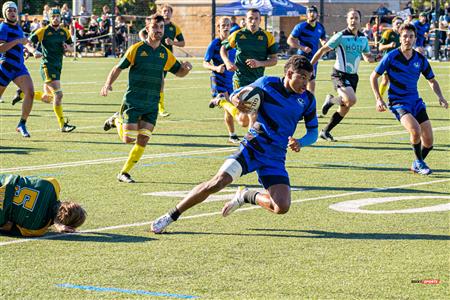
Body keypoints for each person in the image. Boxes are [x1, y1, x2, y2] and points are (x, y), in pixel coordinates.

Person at [150, 55, 319, 234]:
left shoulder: (307, 100)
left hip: (275, 157)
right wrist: (237, 99)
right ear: (290, 73)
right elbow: (237, 94)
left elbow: (313, 132)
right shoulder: (267, 84)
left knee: (282, 206)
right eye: (302, 77)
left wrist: (301, 142)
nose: (305, 83)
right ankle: (171, 215)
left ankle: (245, 195)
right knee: (216, 183)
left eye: (308, 79)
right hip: (252, 149)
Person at [100, 14, 192, 183]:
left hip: (151, 103)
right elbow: (118, 68)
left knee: (143, 139)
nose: (159, 31)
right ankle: (116, 120)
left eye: (161, 27)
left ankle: (124, 172)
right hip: (133, 101)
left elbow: (179, 72)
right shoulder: (136, 49)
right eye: (155, 27)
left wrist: (186, 69)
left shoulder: (165, 53)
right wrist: (108, 84)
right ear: (148, 29)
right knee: (128, 138)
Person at [370, 23, 448, 175]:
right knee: (415, 130)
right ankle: (419, 163)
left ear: (415, 39)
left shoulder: (420, 59)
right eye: (405, 36)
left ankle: (417, 162)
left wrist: (441, 97)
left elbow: (431, 80)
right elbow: (374, 77)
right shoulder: (391, 56)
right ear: (400, 38)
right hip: (398, 103)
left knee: (429, 142)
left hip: (416, 103)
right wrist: (378, 98)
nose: (407, 39)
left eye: (411, 36)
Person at [311, 8, 378, 142]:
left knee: (345, 107)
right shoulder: (340, 36)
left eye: (356, 18)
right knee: (351, 100)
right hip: (339, 74)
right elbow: (322, 50)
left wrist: (378, 58)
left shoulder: (363, 39)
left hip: (353, 77)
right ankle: (330, 100)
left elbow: (367, 58)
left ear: (360, 21)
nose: (353, 20)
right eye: (351, 18)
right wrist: (310, 66)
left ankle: (325, 131)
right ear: (347, 20)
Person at [13, 8, 76, 133]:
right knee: (58, 94)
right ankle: (63, 125)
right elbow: (28, 42)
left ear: (60, 17)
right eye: (53, 16)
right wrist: (32, 51)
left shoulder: (65, 32)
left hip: (58, 67)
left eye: (58, 16)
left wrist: (68, 48)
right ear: (49, 18)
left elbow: (72, 48)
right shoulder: (43, 31)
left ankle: (22, 94)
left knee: (48, 98)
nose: (56, 18)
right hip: (47, 66)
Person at [220, 9, 278, 128]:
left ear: (260, 20)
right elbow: (223, 49)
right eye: (250, 18)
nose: (253, 21)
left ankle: (224, 103)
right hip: (240, 79)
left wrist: (259, 63)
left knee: (248, 117)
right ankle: (251, 143)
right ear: (245, 20)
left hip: (258, 80)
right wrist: (227, 62)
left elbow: (274, 60)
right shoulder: (238, 35)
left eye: (256, 19)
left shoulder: (267, 36)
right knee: (248, 117)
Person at [0, 1, 41, 137]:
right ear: (5, 13)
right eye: (9, 10)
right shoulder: (3, 27)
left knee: (30, 92)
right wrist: (17, 42)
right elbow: (1, 48)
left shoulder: (18, 27)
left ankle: (22, 124)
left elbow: (24, 43)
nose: (12, 12)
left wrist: (32, 51)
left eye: (14, 10)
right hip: (5, 67)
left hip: (19, 67)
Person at [0, 174, 86, 237]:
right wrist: (57, 222)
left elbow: (31, 180)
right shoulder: (38, 229)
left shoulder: (53, 186)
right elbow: (7, 227)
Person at [139, 4, 185, 118]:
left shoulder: (174, 28)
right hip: (150, 56)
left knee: (160, 82)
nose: (166, 13)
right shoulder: (155, 24)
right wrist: (145, 42)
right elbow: (142, 32)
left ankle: (160, 107)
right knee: (155, 81)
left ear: (171, 13)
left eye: (168, 11)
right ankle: (154, 106)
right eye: (164, 11)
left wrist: (173, 43)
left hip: (164, 58)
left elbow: (183, 43)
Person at [203, 17, 242, 144]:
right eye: (223, 25)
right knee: (228, 106)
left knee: (231, 108)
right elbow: (205, 63)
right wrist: (215, 67)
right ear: (218, 27)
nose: (225, 27)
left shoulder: (234, 42)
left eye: (228, 25)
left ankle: (232, 135)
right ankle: (232, 135)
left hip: (232, 80)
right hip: (218, 79)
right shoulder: (214, 44)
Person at [287, 5, 327, 94]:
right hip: (301, 59)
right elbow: (290, 40)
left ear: (318, 14)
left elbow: (323, 38)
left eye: (314, 12)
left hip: (314, 59)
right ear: (307, 15)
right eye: (309, 12)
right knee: (298, 84)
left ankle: (309, 105)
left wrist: (324, 44)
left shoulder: (320, 27)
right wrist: (302, 47)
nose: (312, 14)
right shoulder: (301, 26)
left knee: (311, 85)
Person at [377, 17, 403, 98]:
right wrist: (389, 45)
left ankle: (396, 97)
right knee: (385, 80)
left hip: (399, 61)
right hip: (388, 61)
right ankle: (379, 98)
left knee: (399, 80)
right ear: (393, 24)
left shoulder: (403, 34)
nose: (399, 25)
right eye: (397, 23)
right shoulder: (388, 33)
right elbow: (380, 47)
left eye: (400, 23)